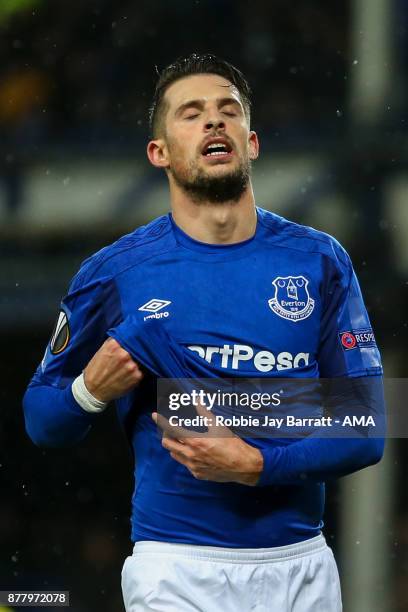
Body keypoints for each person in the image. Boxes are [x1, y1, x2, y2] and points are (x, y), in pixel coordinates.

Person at [23, 54, 384, 612]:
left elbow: (368, 425)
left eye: (228, 111)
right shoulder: (116, 272)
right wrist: (89, 390)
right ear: (159, 152)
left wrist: (257, 466)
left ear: (252, 141)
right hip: (177, 569)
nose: (214, 122)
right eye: (191, 114)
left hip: (303, 567)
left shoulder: (319, 260)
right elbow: (41, 420)